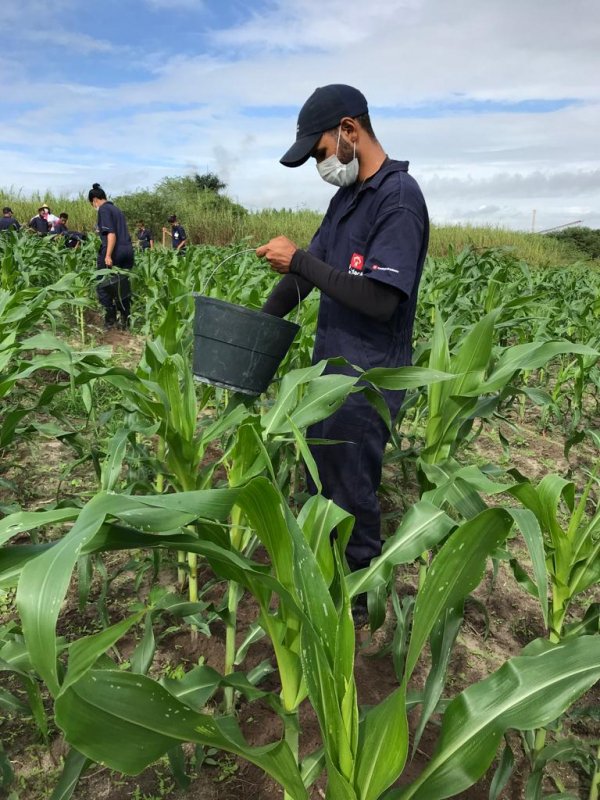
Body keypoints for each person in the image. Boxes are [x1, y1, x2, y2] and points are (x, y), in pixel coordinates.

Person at [256, 84, 429, 623]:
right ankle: (322, 581)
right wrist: (258, 326)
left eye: (320, 152)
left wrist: (301, 263)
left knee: (351, 492)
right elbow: (304, 273)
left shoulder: (398, 200)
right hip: (328, 373)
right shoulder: (347, 199)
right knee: (318, 487)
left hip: (367, 380)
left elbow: (379, 299)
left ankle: (356, 608)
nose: (319, 163)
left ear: (349, 131)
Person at [88, 183, 134, 330]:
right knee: (122, 286)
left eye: (92, 203)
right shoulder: (116, 209)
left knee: (103, 285)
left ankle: (110, 321)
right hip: (127, 251)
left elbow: (111, 234)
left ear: (95, 200)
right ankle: (126, 320)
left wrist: (108, 255)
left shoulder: (103, 209)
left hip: (114, 251)